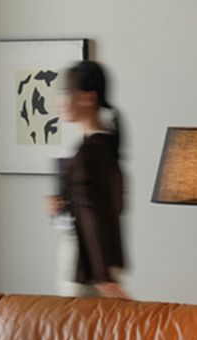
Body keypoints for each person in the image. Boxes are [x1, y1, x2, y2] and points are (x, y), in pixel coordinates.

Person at [46, 60, 129, 299]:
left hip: (83, 268)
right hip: (98, 263)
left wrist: (103, 277)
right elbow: (109, 207)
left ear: (87, 98)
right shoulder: (105, 146)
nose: (59, 101)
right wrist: (61, 208)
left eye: (65, 92)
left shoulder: (89, 154)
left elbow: (93, 216)